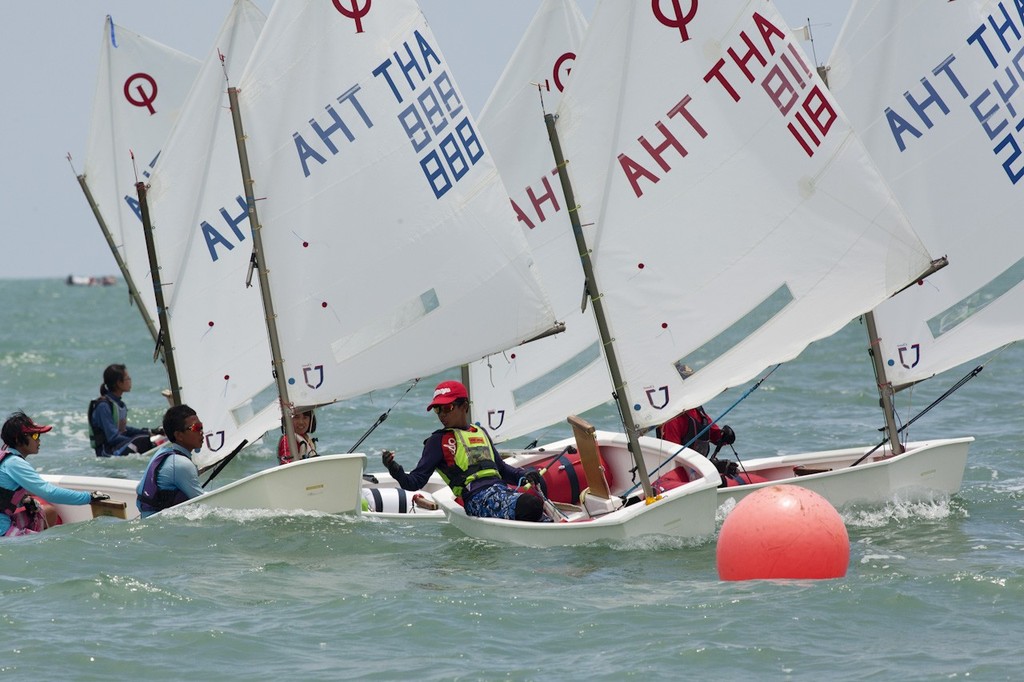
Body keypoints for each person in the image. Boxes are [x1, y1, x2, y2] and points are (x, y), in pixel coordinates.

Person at [382, 380, 546, 522]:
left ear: (464, 407)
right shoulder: (437, 441)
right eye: (437, 409)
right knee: (531, 505)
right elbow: (414, 482)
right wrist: (394, 469)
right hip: (477, 499)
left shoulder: (480, 432)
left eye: (447, 408)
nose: (441, 415)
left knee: (538, 502)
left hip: (501, 491)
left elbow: (501, 469)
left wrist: (525, 475)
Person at [0, 411, 109, 536]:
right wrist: (89, 498)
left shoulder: (5, 457)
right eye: (35, 436)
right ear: (18, 439)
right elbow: (49, 492)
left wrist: (22, 500)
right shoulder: (14, 463)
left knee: (47, 513)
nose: (39, 440)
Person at [135, 404, 205, 517]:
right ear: (179, 435)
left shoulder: (164, 454)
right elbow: (205, 503)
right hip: (159, 527)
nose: (201, 431)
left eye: (201, 427)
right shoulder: (181, 464)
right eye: (195, 428)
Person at [89, 364, 155, 457]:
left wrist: (149, 432)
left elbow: (123, 430)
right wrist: (136, 439)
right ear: (119, 383)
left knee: (145, 436)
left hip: (118, 446)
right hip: (108, 452)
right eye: (128, 378)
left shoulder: (118, 404)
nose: (130, 381)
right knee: (142, 440)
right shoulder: (103, 406)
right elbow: (112, 437)